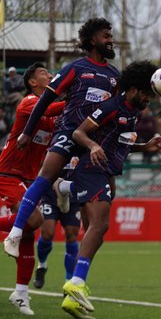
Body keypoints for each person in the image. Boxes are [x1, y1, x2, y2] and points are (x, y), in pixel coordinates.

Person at [3, 17, 120, 260]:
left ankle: (78, 275)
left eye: (110, 35)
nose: (110, 40)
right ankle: (14, 233)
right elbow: (45, 100)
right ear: (91, 41)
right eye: (105, 36)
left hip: (93, 141)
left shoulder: (114, 75)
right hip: (68, 132)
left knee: (101, 204)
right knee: (45, 178)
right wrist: (27, 132)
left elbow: (115, 112)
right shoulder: (75, 68)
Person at [58, 61, 161, 318]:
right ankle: (76, 283)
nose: (149, 100)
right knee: (100, 225)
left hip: (106, 171)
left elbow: (122, 143)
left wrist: (146, 146)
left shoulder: (134, 112)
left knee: (95, 232)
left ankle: (65, 188)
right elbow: (79, 134)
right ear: (133, 89)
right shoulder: (109, 107)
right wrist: (93, 147)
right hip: (91, 168)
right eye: (147, 93)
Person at [0, 63, 65, 315]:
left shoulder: (50, 116)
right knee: (35, 219)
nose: (48, 75)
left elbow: (58, 120)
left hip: (28, 178)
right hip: (7, 174)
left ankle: (21, 293)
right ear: (32, 83)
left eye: (49, 72)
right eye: (43, 74)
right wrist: (74, 100)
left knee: (28, 234)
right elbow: (48, 108)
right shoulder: (29, 102)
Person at [34, 158, 81, 291]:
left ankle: (68, 281)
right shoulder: (57, 141)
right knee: (47, 233)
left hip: (73, 197)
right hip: (50, 195)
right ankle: (42, 266)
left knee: (72, 236)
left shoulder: (84, 143)